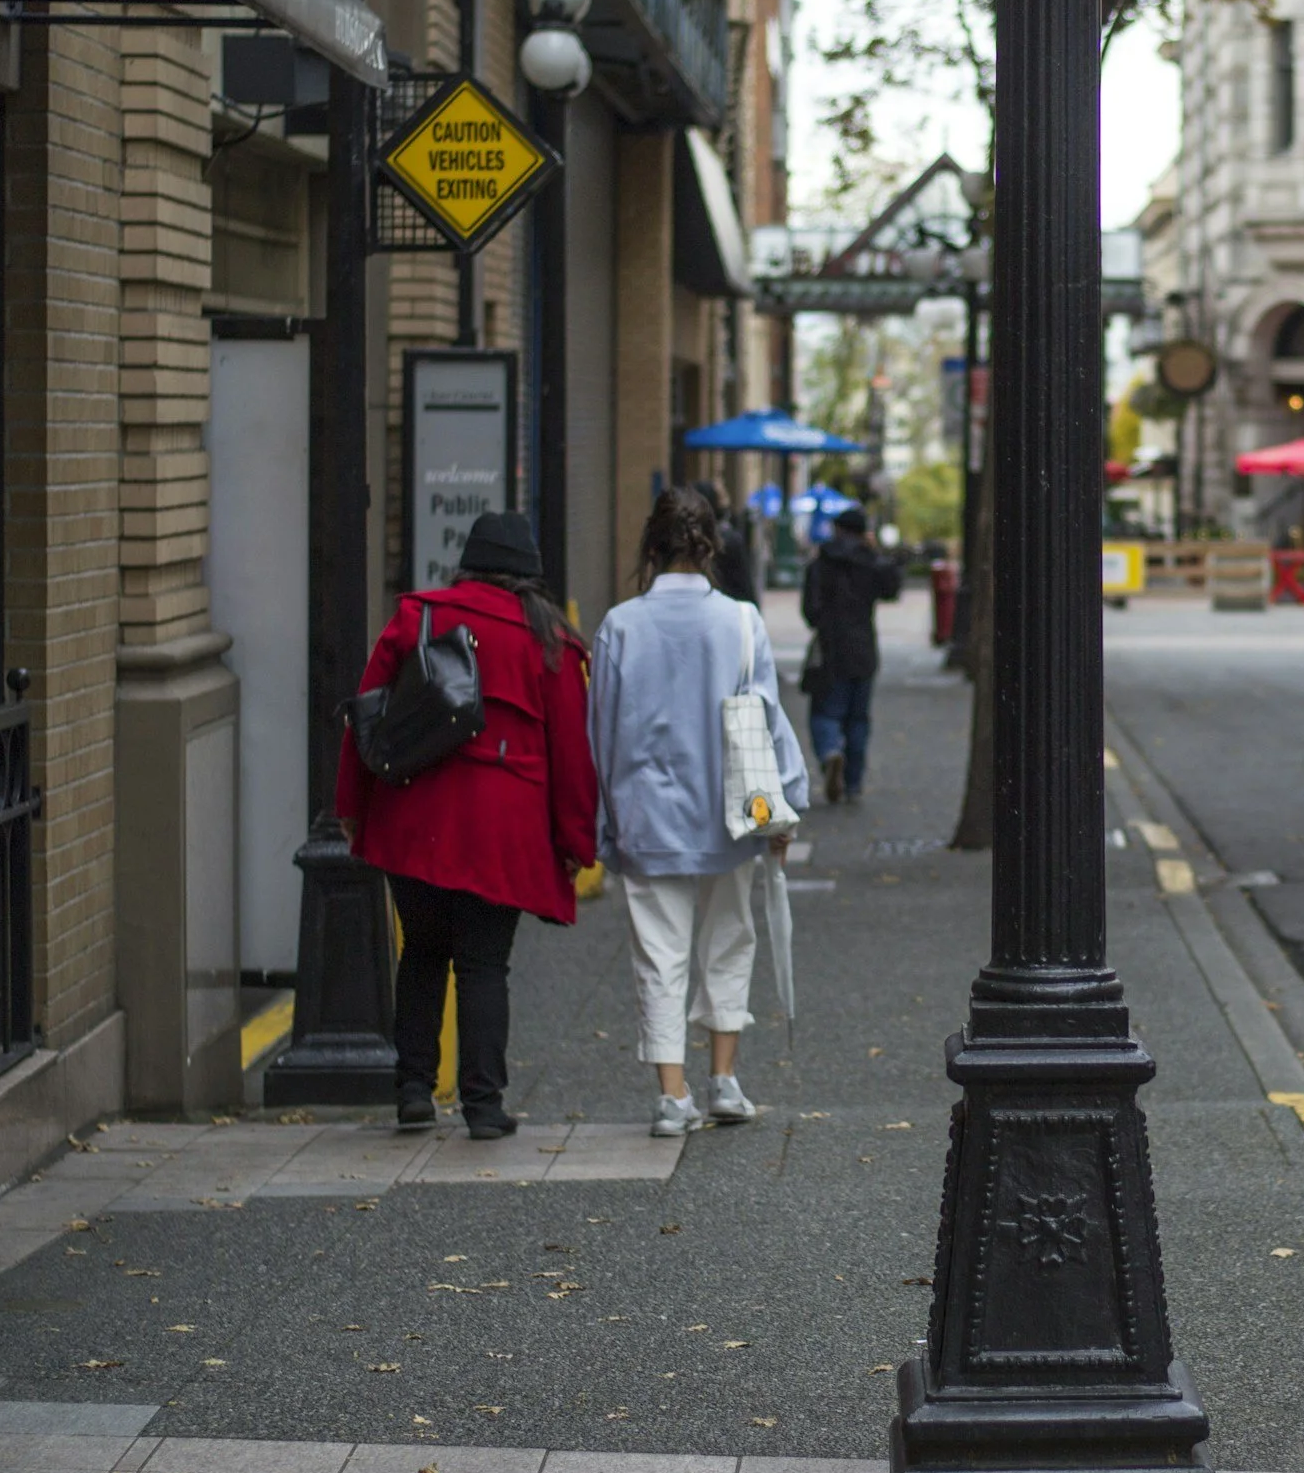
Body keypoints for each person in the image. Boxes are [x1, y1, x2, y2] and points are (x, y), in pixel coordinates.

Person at [337, 512, 595, 1138]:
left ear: (468, 564)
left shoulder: (416, 617)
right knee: (484, 964)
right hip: (500, 828)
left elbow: (366, 720)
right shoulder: (549, 641)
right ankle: (483, 1106)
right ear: (529, 576)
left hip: (414, 815)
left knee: (422, 950)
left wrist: (352, 808)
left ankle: (414, 1091)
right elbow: (571, 753)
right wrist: (575, 841)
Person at [591, 488, 807, 1137]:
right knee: (729, 940)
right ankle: (724, 1080)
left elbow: (599, 731)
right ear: (711, 546)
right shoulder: (741, 622)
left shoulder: (619, 625)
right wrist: (785, 810)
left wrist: (607, 819)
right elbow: (768, 722)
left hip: (646, 815)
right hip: (731, 814)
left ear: (651, 549)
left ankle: (669, 1094)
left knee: (659, 954)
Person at [801, 507, 902, 802]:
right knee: (858, 718)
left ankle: (830, 751)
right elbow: (892, 589)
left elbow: (810, 611)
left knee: (824, 710)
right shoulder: (871, 561)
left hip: (830, 648)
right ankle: (853, 782)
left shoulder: (821, 563)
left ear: (838, 530)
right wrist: (878, 553)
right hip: (863, 647)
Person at [695, 479, 760, 605]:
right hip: (729, 607)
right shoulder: (729, 540)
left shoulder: (689, 539)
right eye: (722, 497)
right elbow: (745, 587)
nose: (726, 502)